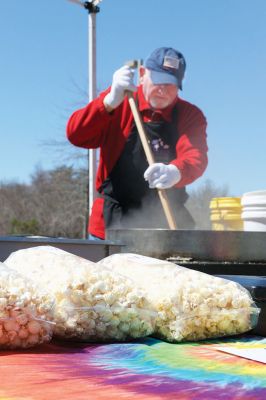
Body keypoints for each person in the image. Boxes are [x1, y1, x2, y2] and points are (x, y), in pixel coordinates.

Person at [66, 47, 208, 239]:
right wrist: (108, 103)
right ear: (142, 75)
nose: (162, 90)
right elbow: (76, 135)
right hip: (112, 221)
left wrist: (176, 171)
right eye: (158, 81)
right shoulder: (122, 101)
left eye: (170, 85)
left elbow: (196, 157)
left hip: (165, 220)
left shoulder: (189, 115)